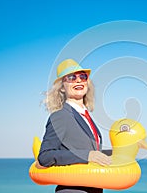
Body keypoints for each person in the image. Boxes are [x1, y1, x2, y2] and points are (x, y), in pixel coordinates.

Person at [37, 59, 112, 193]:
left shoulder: (87, 117)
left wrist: (123, 151)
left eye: (82, 76)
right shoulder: (60, 116)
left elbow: (93, 153)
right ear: (61, 86)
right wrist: (87, 156)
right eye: (71, 77)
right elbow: (45, 157)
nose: (78, 80)